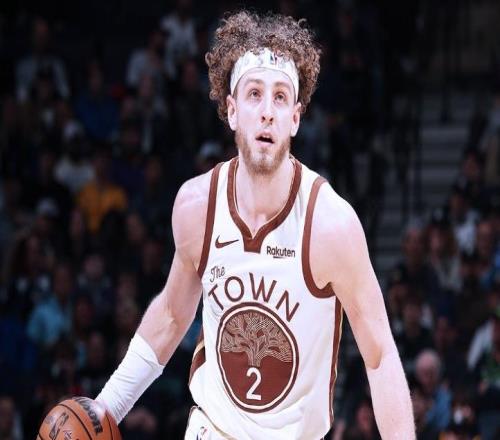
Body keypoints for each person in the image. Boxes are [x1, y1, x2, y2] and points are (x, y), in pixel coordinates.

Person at [95, 11, 414, 439]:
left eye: (281, 98)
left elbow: (380, 357)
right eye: (254, 94)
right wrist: (105, 407)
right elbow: (171, 316)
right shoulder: (197, 206)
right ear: (231, 111)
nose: (267, 112)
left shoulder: (330, 226)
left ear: (295, 119)